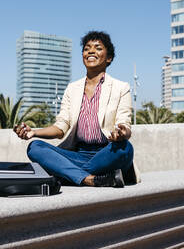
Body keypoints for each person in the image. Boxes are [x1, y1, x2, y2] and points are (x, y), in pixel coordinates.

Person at [13, 31, 138, 187]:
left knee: (125, 149)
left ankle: (66, 174)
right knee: (35, 147)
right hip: (77, 155)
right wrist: (34, 132)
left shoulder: (121, 87)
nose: (91, 51)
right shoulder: (72, 89)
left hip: (106, 154)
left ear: (109, 58)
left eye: (98, 48)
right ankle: (89, 179)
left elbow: (124, 123)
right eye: (86, 49)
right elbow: (60, 128)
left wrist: (122, 133)